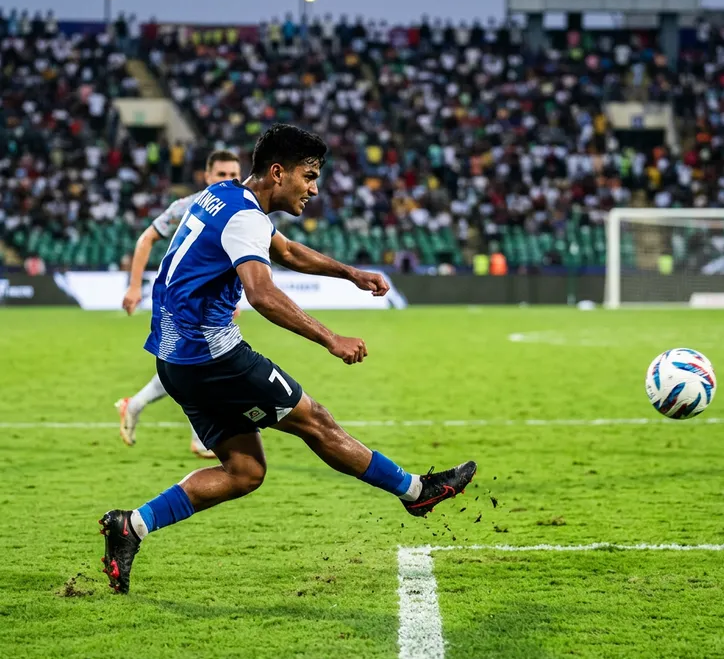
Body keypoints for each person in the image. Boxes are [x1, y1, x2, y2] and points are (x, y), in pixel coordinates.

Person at [100, 124, 476, 593]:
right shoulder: (246, 218)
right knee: (316, 421)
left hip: (175, 362)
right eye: (309, 176)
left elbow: (288, 252)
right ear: (278, 173)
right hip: (214, 359)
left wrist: (351, 274)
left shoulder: (220, 195)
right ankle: (416, 491)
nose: (313, 189)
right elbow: (261, 294)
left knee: (245, 472)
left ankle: (131, 526)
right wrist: (331, 338)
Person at [116, 150, 242, 458]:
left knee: (186, 365)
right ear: (207, 177)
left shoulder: (243, 209)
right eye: (221, 174)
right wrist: (134, 286)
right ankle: (201, 437)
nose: (228, 180)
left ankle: (135, 405)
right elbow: (146, 238)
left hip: (211, 304)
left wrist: (232, 298)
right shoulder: (188, 206)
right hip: (181, 300)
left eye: (233, 175)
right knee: (201, 364)